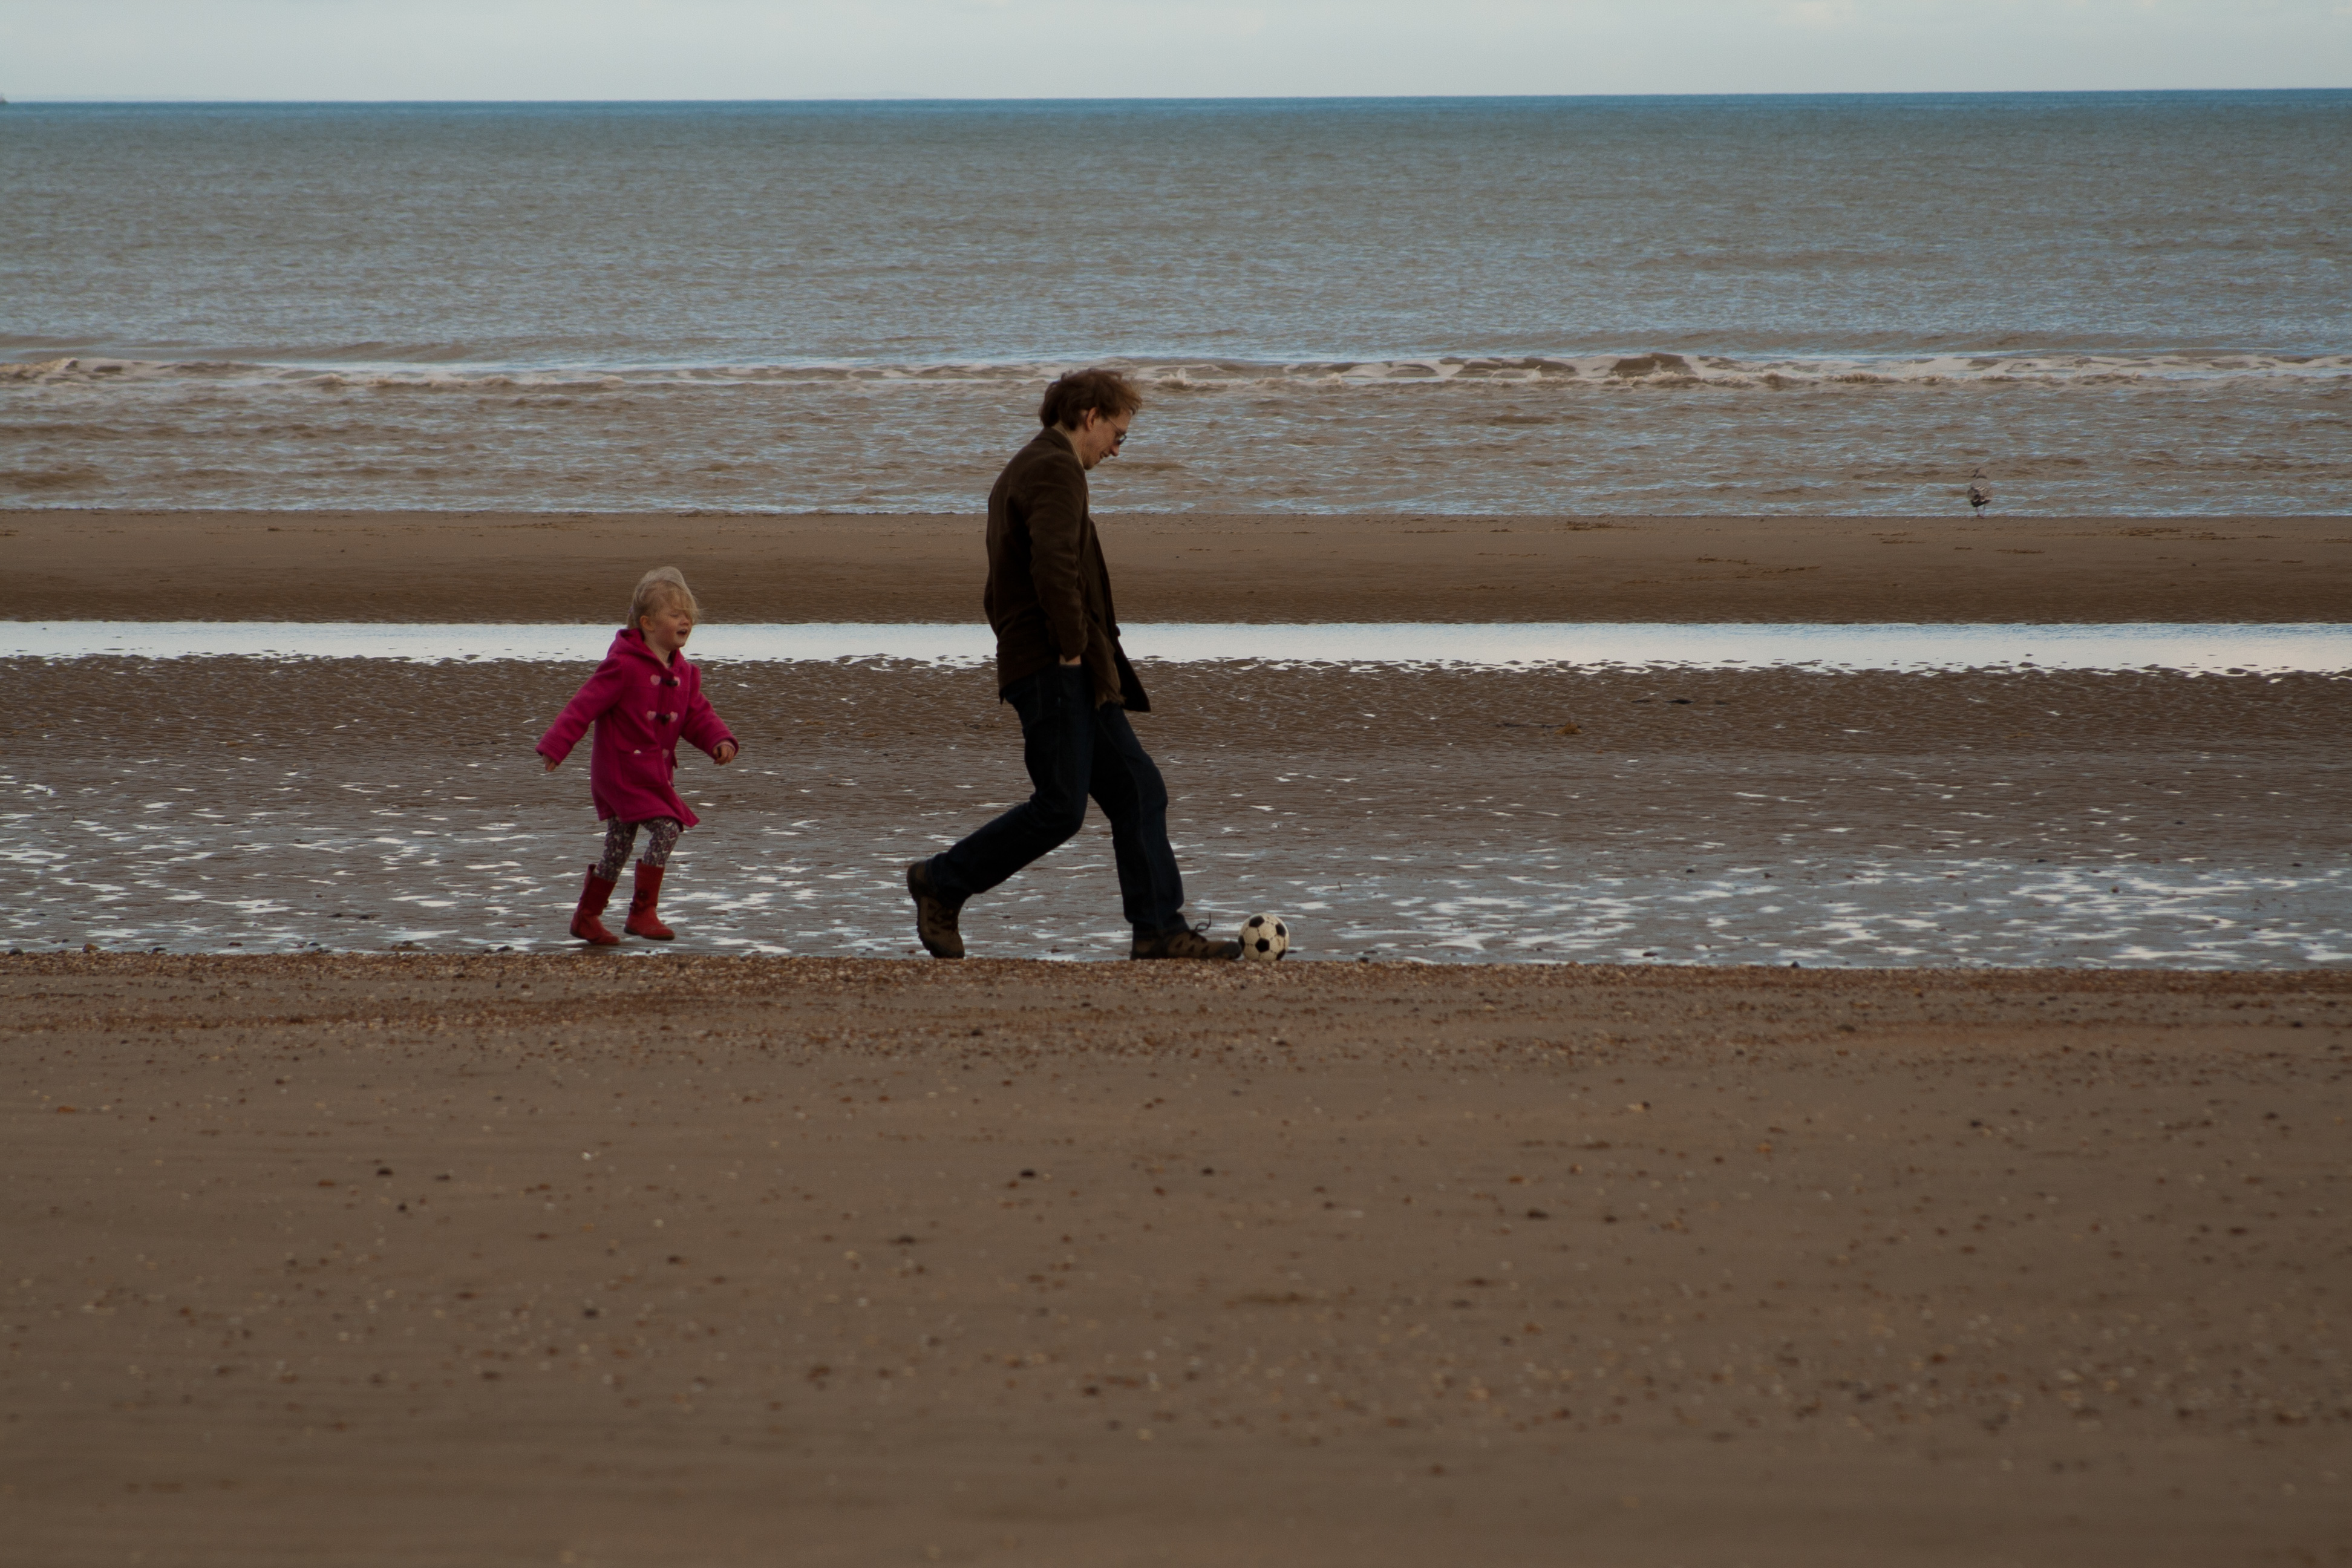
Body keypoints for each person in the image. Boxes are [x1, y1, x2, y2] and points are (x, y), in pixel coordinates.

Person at [906, 369, 1240, 961]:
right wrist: (1069, 648)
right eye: (1118, 434)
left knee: (1139, 789)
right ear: (1090, 416)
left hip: (1066, 665)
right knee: (1060, 808)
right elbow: (1053, 565)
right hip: (1056, 666)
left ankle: (1158, 930)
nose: (1116, 449)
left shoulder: (1030, 466)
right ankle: (942, 880)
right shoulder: (1053, 468)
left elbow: (1002, 587)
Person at [539, 567, 738, 946]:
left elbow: (697, 714)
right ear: (647, 623)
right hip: (620, 772)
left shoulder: (684, 672)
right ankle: (642, 912)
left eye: (688, 615)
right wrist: (556, 745)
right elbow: (583, 706)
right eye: (675, 614)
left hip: (652, 773)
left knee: (618, 847)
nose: (685, 621)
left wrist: (718, 739)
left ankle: (587, 917)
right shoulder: (623, 665)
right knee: (667, 827)